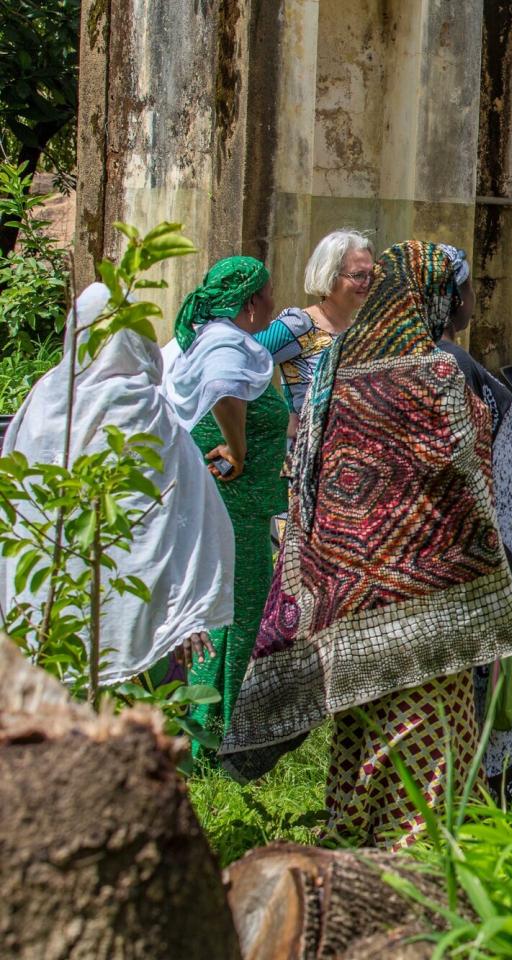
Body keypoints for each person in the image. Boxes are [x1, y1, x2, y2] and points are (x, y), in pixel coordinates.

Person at [218, 241, 512, 847]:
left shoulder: (334, 364)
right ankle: (420, 846)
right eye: (457, 292)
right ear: (432, 298)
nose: (466, 302)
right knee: (431, 720)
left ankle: (355, 828)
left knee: (362, 719)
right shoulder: (437, 372)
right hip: (433, 593)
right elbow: (466, 472)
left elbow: (305, 464)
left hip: (345, 588)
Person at [2, 283, 234, 682]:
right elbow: (189, 506)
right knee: (138, 724)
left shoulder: (45, 397)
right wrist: (188, 606)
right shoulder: (142, 406)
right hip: (139, 603)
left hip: (47, 599)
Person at [162, 255, 288, 759]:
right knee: (237, 612)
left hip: (238, 503)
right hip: (232, 501)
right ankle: (223, 732)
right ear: (251, 301)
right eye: (269, 294)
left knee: (227, 609)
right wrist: (237, 448)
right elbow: (221, 389)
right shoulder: (222, 341)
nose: (274, 304)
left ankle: (211, 726)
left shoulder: (206, 336)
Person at [435, 243, 512, 804]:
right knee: (472, 687)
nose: (476, 299)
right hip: (474, 549)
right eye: (469, 288)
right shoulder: (446, 365)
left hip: (470, 544)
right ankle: (476, 794)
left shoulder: (387, 357)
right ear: (448, 298)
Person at [253, 230, 375, 430]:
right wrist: (279, 419)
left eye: (371, 275)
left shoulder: (361, 333)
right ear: (330, 274)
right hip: (304, 453)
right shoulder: (299, 325)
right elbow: (237, 363)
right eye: (359, 275)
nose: (367, 283)